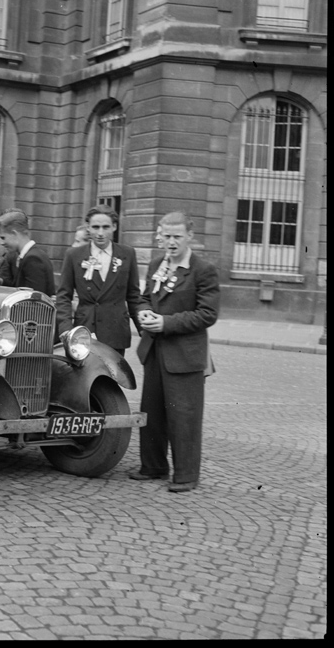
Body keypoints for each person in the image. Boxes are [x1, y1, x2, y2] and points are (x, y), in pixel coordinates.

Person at [131, 211, 220, 493]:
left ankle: (186, 475)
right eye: (166, 236)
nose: (170, 242)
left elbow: (207, 314)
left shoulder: (203, 270)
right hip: (155, 351)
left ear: (190, 237)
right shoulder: (158, 263)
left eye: (177, 237)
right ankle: (153, 466)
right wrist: (144, 312)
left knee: (184, 416)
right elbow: (144, 297)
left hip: (185, 355)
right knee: (153, 412)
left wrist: (166, 323)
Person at [56, 206, 141, 355]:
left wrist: (143, 329)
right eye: (95, 227)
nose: (100, 233)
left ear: (114, 227)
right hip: (85, 331)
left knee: (113, 376)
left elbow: (133, 295)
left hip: (115, 332)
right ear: (88, 227)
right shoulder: (74, 255)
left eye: (105, 227)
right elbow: (63, 296)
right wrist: (66, 328)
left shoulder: (127, 254)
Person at [0, 208, 55, 297]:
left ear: (14, 233)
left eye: (3, 238)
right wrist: (0, 281)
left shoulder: (32, 259)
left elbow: (35, 300)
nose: (2, 243)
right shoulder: (31, 255)